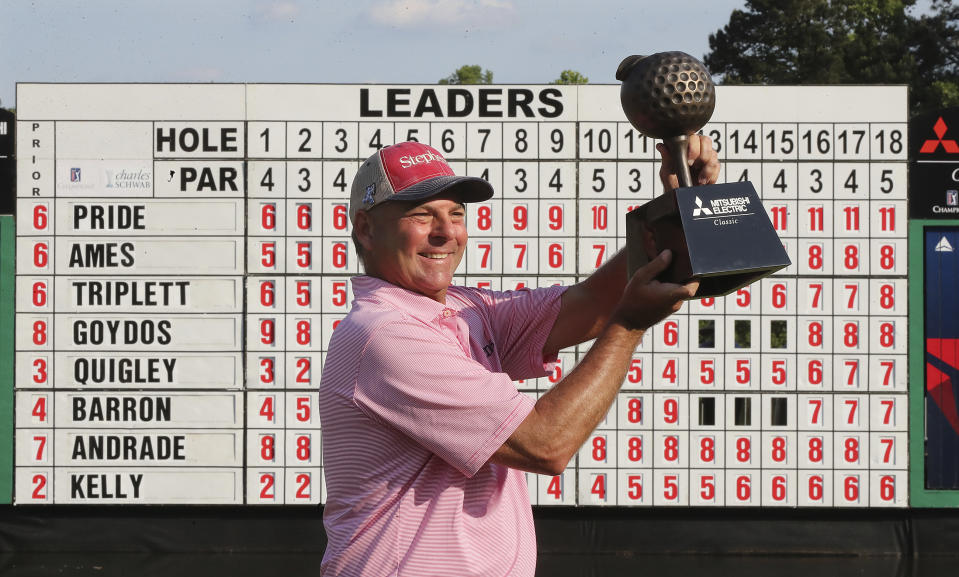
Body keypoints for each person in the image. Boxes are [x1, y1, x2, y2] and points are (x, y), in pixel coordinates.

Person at [320, 137, 720, 576]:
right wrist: (629, 327)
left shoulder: (464, 312)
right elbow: (545, 443)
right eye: (421, 214)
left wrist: (677, 213)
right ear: (365, 228)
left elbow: (589, 302)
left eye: (456, 214)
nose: (445, 232)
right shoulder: (386, 334)